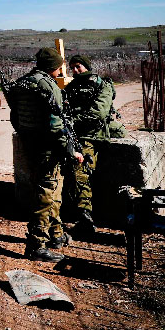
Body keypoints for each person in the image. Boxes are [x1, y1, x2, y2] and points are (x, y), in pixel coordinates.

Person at [4, 47, 84, 262]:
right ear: (54, 66)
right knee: (46, 195)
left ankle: (56, 235)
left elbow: (15, 118)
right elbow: (57, 125)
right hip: (48, 148)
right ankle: (36, 245)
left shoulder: (22, 83)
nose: (61, 70)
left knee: (53, 190)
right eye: (59, 66)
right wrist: (71, 150)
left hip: (30, 144)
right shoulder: (48, 85)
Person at [64, 54, 126, 237]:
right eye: (72, 67)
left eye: (78, 67)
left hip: (93, 135)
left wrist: (74, 120)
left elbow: (98, 113)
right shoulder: (71, 87)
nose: (75, 70)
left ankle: (85, 217)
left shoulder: (102, 84)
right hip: (77, 134)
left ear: (86, 66)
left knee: (81, 170)